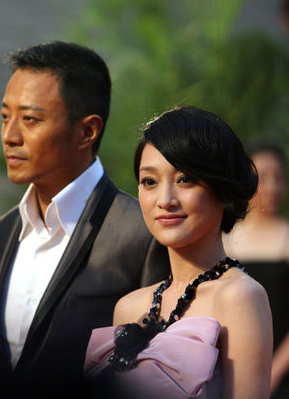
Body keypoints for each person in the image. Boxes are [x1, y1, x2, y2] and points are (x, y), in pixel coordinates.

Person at [0, 41, 169, 397]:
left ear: (87, 131)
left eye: (30, 119)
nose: (9, 136)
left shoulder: (142, 233)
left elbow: (157, 372)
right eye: (5, 117)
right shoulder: (1, 233)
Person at [84, 106, 273, 398]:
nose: (165, 200)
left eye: (185, 179)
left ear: (221, 186)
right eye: (149, 182)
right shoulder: (128, 307)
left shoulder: (240, 297)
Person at [223, 141, 289, 398]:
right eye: (263, 178)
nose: (272, 187)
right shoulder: (224, 241)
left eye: (279, 178)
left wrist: (274, 370)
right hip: (231, 372)